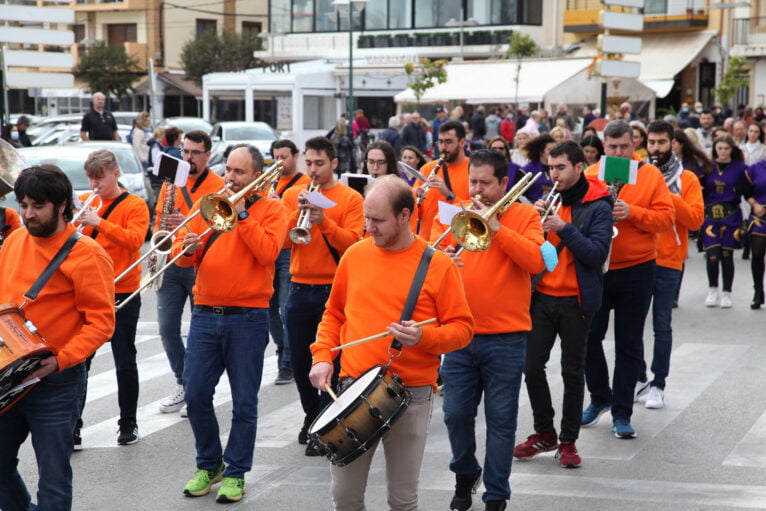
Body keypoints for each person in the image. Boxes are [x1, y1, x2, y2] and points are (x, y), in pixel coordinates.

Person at [309, 175, 474, 511]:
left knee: (402, 500)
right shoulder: (354, 256)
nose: (369, 227)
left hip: (411, 393)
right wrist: (322, 356)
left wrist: (424, 336)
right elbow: (333, 315)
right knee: (344, 496)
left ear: (404, 216)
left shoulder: (438, 265)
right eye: (367, 218)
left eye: (378, 220)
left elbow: (462, 329)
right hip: (353, 388)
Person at [431, 150, 545, 510]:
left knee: (501, 422)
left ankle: (496, 496)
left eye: (485, 183)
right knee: (455, 415)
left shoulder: (525, 215)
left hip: (507, 338)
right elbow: (428, 256)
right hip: (460, 334)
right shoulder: (454, 214)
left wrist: (497, 227)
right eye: (473, 182)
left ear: (504, 184)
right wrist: (440, 261)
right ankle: (465, 472)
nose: (477, 190)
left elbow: (537, 260)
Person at [173, 144, 287, 503]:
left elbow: (269, 252)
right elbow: (180, 255)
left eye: (239, 172)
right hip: (206, 312)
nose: (230, 178)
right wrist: (188, 247)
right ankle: (209, 463)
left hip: (248, 318)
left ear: (257, 175)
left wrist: (242, 216)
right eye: (229, 170)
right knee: (194, 393)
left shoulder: (273, 208)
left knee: (244, 401)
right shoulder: (207, 202)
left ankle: (235, 471)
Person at [0, 164, 115, 511]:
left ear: (62, 205)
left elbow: (102, 323)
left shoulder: (87, 255)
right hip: (9, 375)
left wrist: (59, 361)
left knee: (53, 478)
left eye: (37, 206)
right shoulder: (15, 240)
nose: (28, 214)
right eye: (23, 205)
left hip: (56, 380)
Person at [514, 141, 612, 469]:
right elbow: (536, 250)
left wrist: (564, 228)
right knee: (530, 367)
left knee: (572, 372)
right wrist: (537, 224)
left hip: (576, 301)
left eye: (560, 168)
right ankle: (545, 432)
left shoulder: (598, 204)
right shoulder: (549, 202)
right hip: (542, 297)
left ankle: (568, 441)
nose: (553, 174)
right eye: (550, 168)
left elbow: (597, 254)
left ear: (578, 167)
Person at [582, 120, 675, 439]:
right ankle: (599, 398)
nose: (618, 153)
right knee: (588, 338)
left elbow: (666, 219)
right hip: (598, 268)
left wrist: (631, 212)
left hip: (637, 268)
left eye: (624, 147)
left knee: (629, 343)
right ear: (603, 147)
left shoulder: (649, 174)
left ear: (633, 145)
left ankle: (622, 411)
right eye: (612, 148)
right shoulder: (591, 175)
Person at [282, 136, 364, 455]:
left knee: (332, 360)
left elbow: (352, 244)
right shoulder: (293, 194)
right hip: (300, 287)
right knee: (302, 360)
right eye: (309, 164)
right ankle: (310, 415)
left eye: (320, 163)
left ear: (334, 163)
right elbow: (284, 241)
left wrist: (324, 221)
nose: (314, 170)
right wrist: (298, 213)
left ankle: (322, 421)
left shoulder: (350, 198)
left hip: (335, 288)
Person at [73, 149, 151, 447]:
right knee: (81, 361)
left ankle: (128, 423)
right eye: (91, 178)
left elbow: (134, 240)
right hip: (89, 289)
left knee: (124, 359)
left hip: (123, 290)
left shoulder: (135, 204)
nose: (95, 184)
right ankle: (74, 425)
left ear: (115, 174)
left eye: (100, 178)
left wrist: (99, 222)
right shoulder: (85, 200)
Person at [634, 121, 705, 411]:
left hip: (668, 260)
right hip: (638, 257)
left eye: (661, 143)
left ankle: (658, 384)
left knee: (661, 325)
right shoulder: (638, 171)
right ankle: (639, 379)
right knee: (632, 324)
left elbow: (696, 221)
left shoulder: (687, 179)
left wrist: (669, 197)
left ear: (673, 143)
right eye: (651, 142)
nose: (656, 148)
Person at [155, 130, 225, 414]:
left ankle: (196, 387)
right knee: (167, 329)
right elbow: (159, 221)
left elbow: (218, 230)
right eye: (185, 152)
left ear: (207, 155)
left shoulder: (219, 186)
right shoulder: (169, 184)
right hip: (171, 263)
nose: (188, 158)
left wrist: (186, 222)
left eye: (195, 153)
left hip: (200, 264)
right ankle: (183, 383)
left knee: (199, 332)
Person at [266, 139, 312, 384]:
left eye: (284, 157)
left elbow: (300, 217)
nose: (279, 162)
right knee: (269, 309)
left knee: (286, 307)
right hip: (269, 248)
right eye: (276, 157)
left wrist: (279, 206)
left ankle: (287, 363)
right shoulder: (268, 181)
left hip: (288, 250)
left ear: (296, 156)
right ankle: (283, 348)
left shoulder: (305, 183)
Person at [700, 134, 748, 308]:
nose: (723, 152)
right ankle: (712, 289)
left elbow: (749, 189)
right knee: (712, 256)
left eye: (726, 148)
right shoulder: (707, 167)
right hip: (710, 215)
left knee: (727, 255)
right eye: (719, 148)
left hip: (731, 214)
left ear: (732, 149)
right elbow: (698, 189)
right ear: (715, 149)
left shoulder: (741, 168)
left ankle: (727, 292)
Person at [413, 120, 469, 238]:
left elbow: (474, 214)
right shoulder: (428, 169)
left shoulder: (473, 170)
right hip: (427, 242)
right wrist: (415, 198)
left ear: (462, 142)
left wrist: (449, 195)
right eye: (440, 142)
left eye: (448, 142)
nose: (443, 147)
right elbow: (414, 214)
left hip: (458, 243)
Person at [744, 160, 766, 309]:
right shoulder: (755, 168)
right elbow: (745, 190)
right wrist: (755, 204)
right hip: (760, 216)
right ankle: (758, 292)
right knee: (757, 256)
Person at [522, 134, 556, 202]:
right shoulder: (527, 170)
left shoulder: (558, 168)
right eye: (549, 150)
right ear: (541, 152)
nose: (554, 152)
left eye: (555, 149)